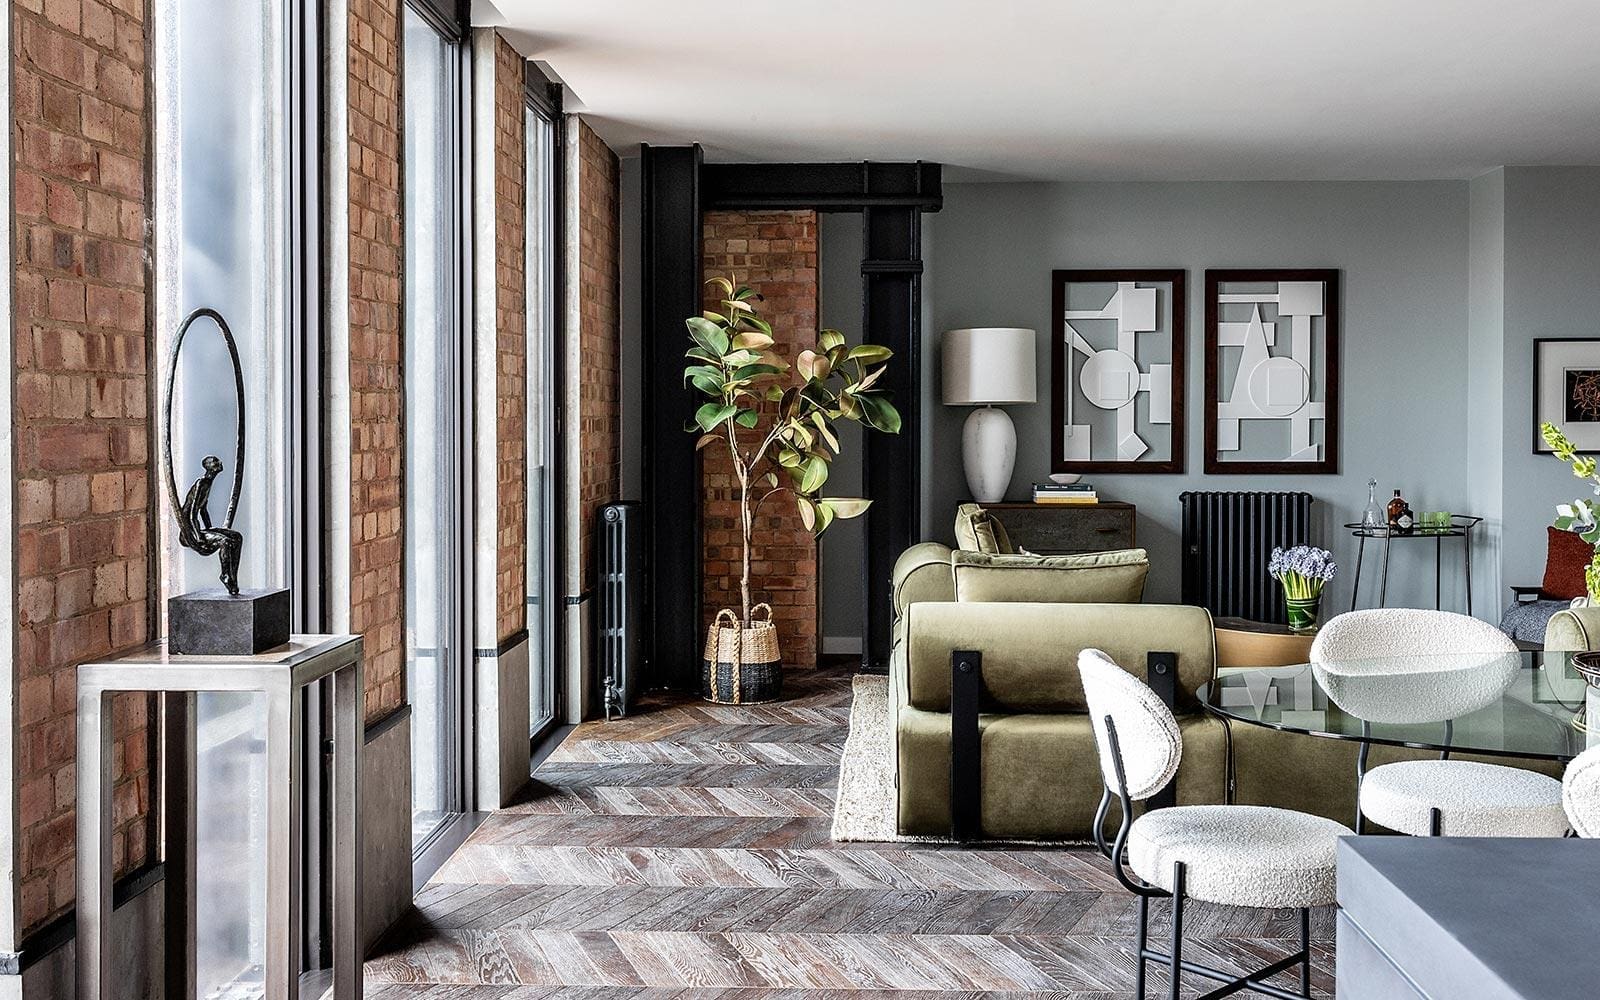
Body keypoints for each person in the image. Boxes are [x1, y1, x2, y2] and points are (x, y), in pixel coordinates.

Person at [178, 455, 243, 595]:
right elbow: (192, 513)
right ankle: (225, 574)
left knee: (237, 537)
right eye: (215, 461)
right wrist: (198, 536)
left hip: (197, 529)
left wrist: (210, 528)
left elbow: (203, 510)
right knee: (224, 541)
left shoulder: (208, 483)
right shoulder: (201, 483)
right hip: (189, 532)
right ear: (208, 467)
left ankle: (232, 576)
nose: (219, 462)